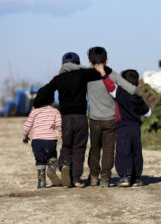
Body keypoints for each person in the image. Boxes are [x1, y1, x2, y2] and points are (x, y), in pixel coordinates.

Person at [33, 52, 112, 188]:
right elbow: (106, 70)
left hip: (66, 118)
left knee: (67, 145)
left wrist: (35, 104)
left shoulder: (58, 78)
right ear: (78, 64)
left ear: (62, 65)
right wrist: (89, 68)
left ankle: (64, 165)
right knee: (79, 148)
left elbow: (44, 91)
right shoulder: (82, 74)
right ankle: (76, 179)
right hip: (80, 118)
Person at [87, 47, 139, 187]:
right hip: (110, 119)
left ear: (90, 62)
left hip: (94, 119)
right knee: (109, 149)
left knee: (95, 148)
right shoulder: (113, 75)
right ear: (107, 60)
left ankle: (93, 176)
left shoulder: (86, 76)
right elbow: (133, 89)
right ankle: (105, 178)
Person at [95, 65, 151, 187]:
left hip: (122, 126)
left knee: (123, 151)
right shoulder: (137, 97)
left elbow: (109, 86)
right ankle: (136, 178)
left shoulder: (119, 92)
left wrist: (102, 73)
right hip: (136, 128)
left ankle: (125, 177)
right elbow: (148, 112)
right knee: (136, 152)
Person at [22, 92, 62, 189]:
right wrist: (61, 134)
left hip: (37, 142)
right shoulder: (55, 111)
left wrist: (25, 137)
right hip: (50, 141)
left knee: (40, 160)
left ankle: (41, 182)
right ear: (52, 101)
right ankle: (51, 171)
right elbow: (60, 124)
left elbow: (26, 126)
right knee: (52, 156)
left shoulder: (35, 112)